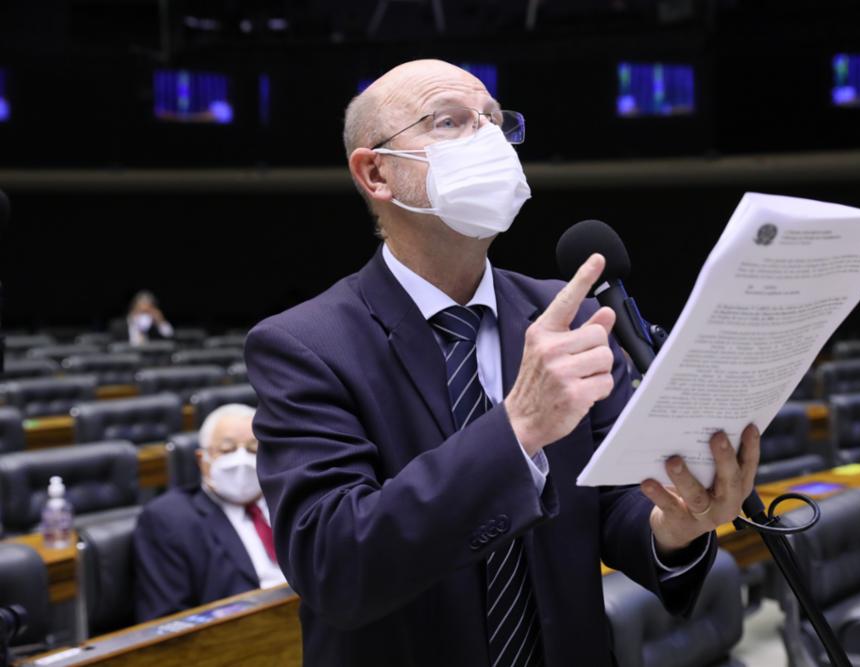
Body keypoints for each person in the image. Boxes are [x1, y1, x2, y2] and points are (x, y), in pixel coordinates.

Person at [244, 59, 759, 666]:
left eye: (494, 120)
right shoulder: (304, 344)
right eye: (450, 121)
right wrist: (517, 428)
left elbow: (615, 504)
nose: (487, 138)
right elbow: (334, 564)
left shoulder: (561, 315)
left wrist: (675, 524)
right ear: (376, 173)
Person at [133, 404, 286, 621]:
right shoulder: (169, 520)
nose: (241, 461)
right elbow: (168, 623)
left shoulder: (286, 502)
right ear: (201, 459)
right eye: (227, 449)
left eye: (253, 449)